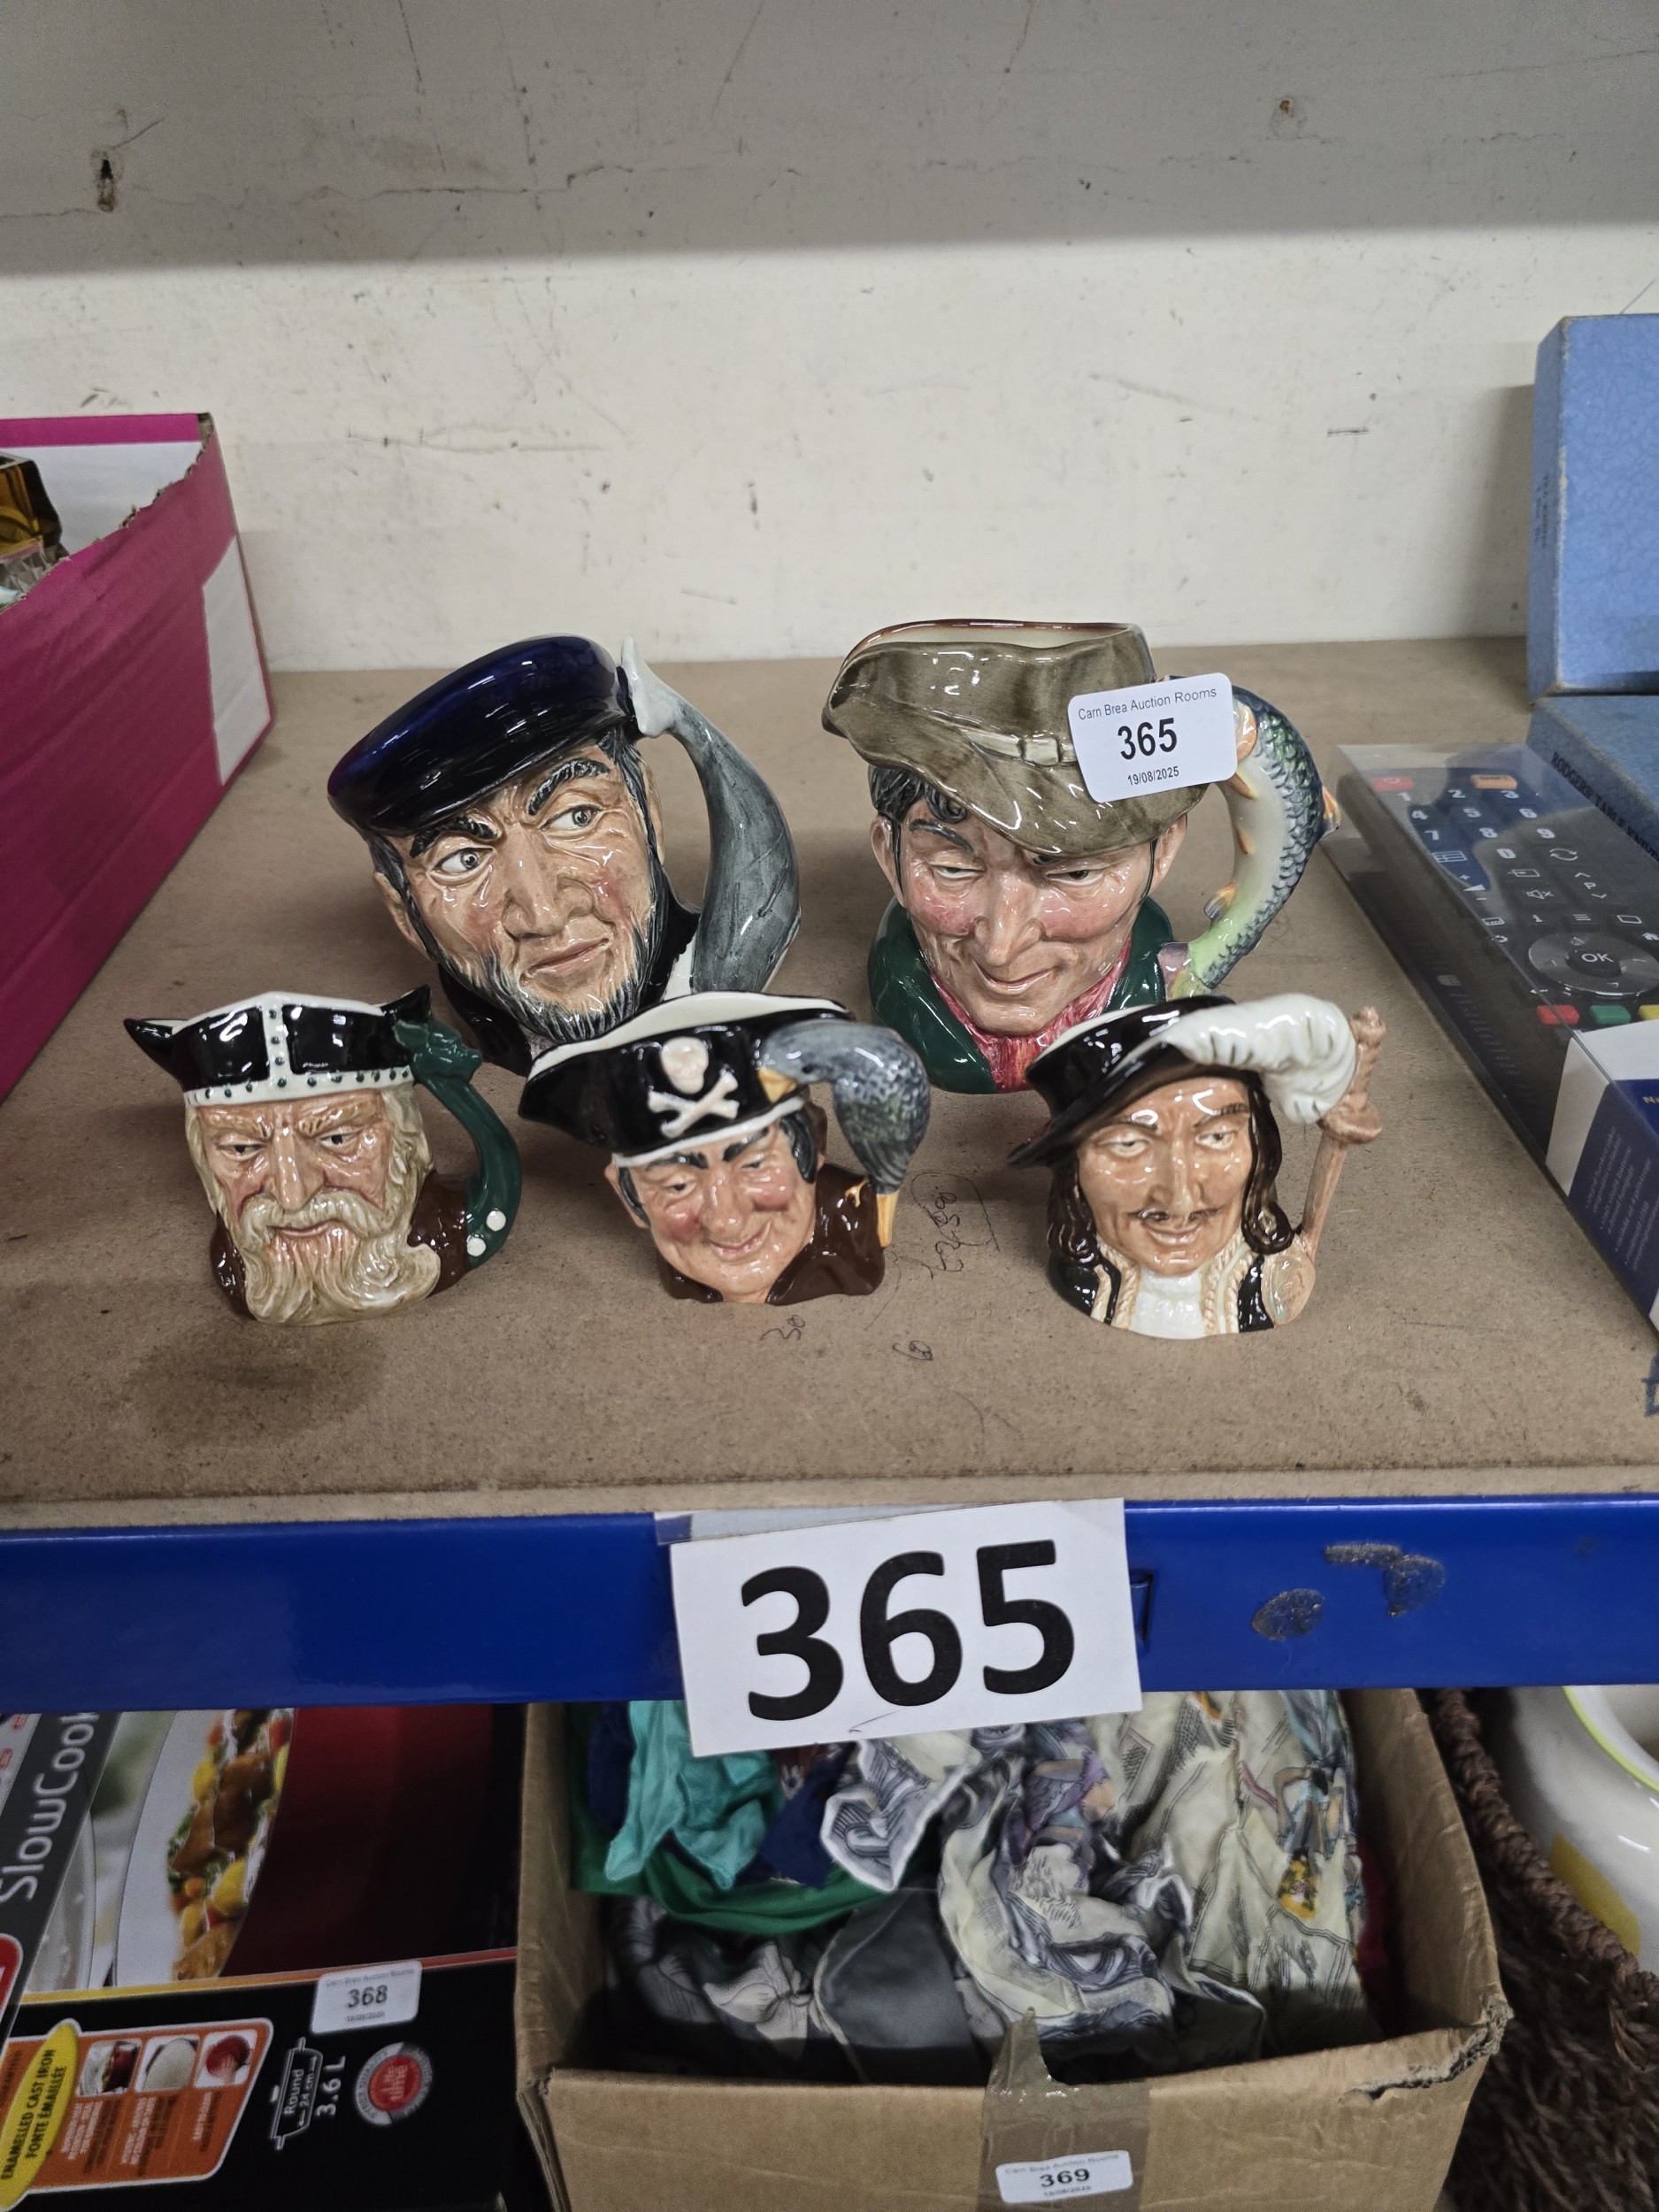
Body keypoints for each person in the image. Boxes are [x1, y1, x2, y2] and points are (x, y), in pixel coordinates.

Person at [822, 620, 1329, 1092]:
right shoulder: (906, 997)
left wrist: (1220, 946)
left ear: (1163, 851)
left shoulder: (1157, 985)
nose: (1001, 947)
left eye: (1076, 873)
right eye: (952, 870)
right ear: (889, 857)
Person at [329, 636, 799, 1073]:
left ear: (649, 814)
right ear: (405, 916)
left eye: (576, 816)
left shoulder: (710, 972)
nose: (545, 914)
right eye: (463, 860)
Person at [126, 989, 518, 1324]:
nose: (292, 1196)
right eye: (242, 1149)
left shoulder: (452, 1232)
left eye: (337, 1138)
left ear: (406, 1140)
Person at [520, 992, 931, 1306]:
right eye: (677, 1185)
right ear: (629, 1199)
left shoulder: (854, 1232)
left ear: (813, 1148)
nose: (727, 1221)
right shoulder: (684, 1261)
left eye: (754, 1164)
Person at [1007, 995, 1381, 1337]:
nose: (1181, 1199)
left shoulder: (1275, 1287)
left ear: (1260, 1147)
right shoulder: (1092, 1284)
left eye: (1217, 1137)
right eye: (1128, 1145)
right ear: (1072, 1170)